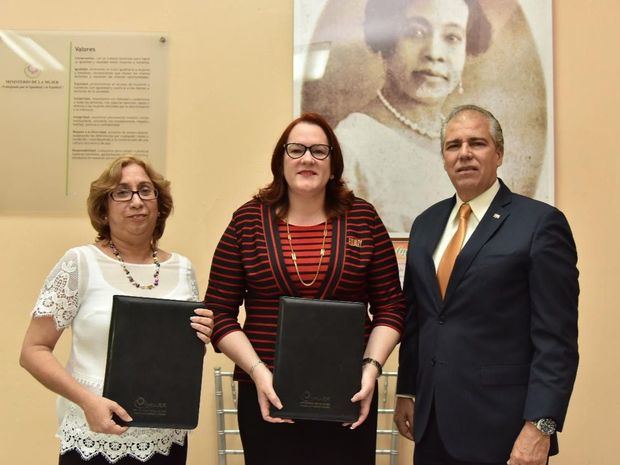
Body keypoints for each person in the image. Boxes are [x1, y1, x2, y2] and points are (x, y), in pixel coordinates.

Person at [205, 112, 406, 465]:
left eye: (319, 151)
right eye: (296, 150)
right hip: (267, 395)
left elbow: (391, 307)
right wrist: (257, 371)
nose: (308, 158)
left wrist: (371, 368)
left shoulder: (363, 218)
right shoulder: (248, 221)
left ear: (334, 165)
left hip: (348, 397)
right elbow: (218, 314)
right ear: (280, 161)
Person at [393, 105, 579, 465]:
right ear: (444, 158)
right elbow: (417, 320)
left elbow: (556, 340)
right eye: (453, 145)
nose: (464, 153)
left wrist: (541, 426)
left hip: (503, 430)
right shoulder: (426, 224)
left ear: (499, 153)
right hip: (431, 426)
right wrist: (407, 391)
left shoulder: (540, 224)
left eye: (476, 143)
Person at [19, 156, 214, 464]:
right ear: (103, 209)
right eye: (122, 192)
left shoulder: (183, 268)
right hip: (94, 438)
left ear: (159, 205)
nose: (136, 201)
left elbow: (178, 357)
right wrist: (87, 402)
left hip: (165, 438)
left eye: (145, 191)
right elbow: (33, 350)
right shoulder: (79, 263)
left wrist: (200, 338)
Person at [334, 0, 494, 234]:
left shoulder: (465, 141)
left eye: (452, 38)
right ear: (387, 44)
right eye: (416, 32)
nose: (434, 53)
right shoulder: (351, 146)